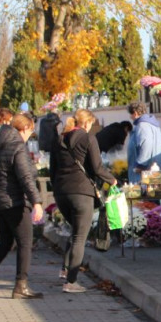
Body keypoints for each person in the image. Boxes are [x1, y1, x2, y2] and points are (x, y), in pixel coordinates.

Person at [0, 112, 45, 299]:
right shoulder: (17, 146)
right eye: (31, 132)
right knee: (25, 243)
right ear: (25, 128)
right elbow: (26, 178)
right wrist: (37, 202)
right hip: (15, 202)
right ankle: (21, 286)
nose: (30, 136)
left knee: (5, 243)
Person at [51, 109, 116, 294]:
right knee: (80, 237)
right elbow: (97, 167)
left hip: (61, 193)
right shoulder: (88, 139)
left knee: (74, 232)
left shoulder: (59, 139)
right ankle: (71, 282)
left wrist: (57, 189)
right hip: (82, 194)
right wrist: (112, 179)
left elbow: (52, 169)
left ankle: (64, 270)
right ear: (87, 123)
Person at [125, 101, 161, 182]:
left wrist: (140, 165)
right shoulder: (150, 124)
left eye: (131, 114)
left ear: (135, 113)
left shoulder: (142, 126)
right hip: (155, 168)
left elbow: (146, 145)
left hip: (147, 172)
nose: (131, 117)